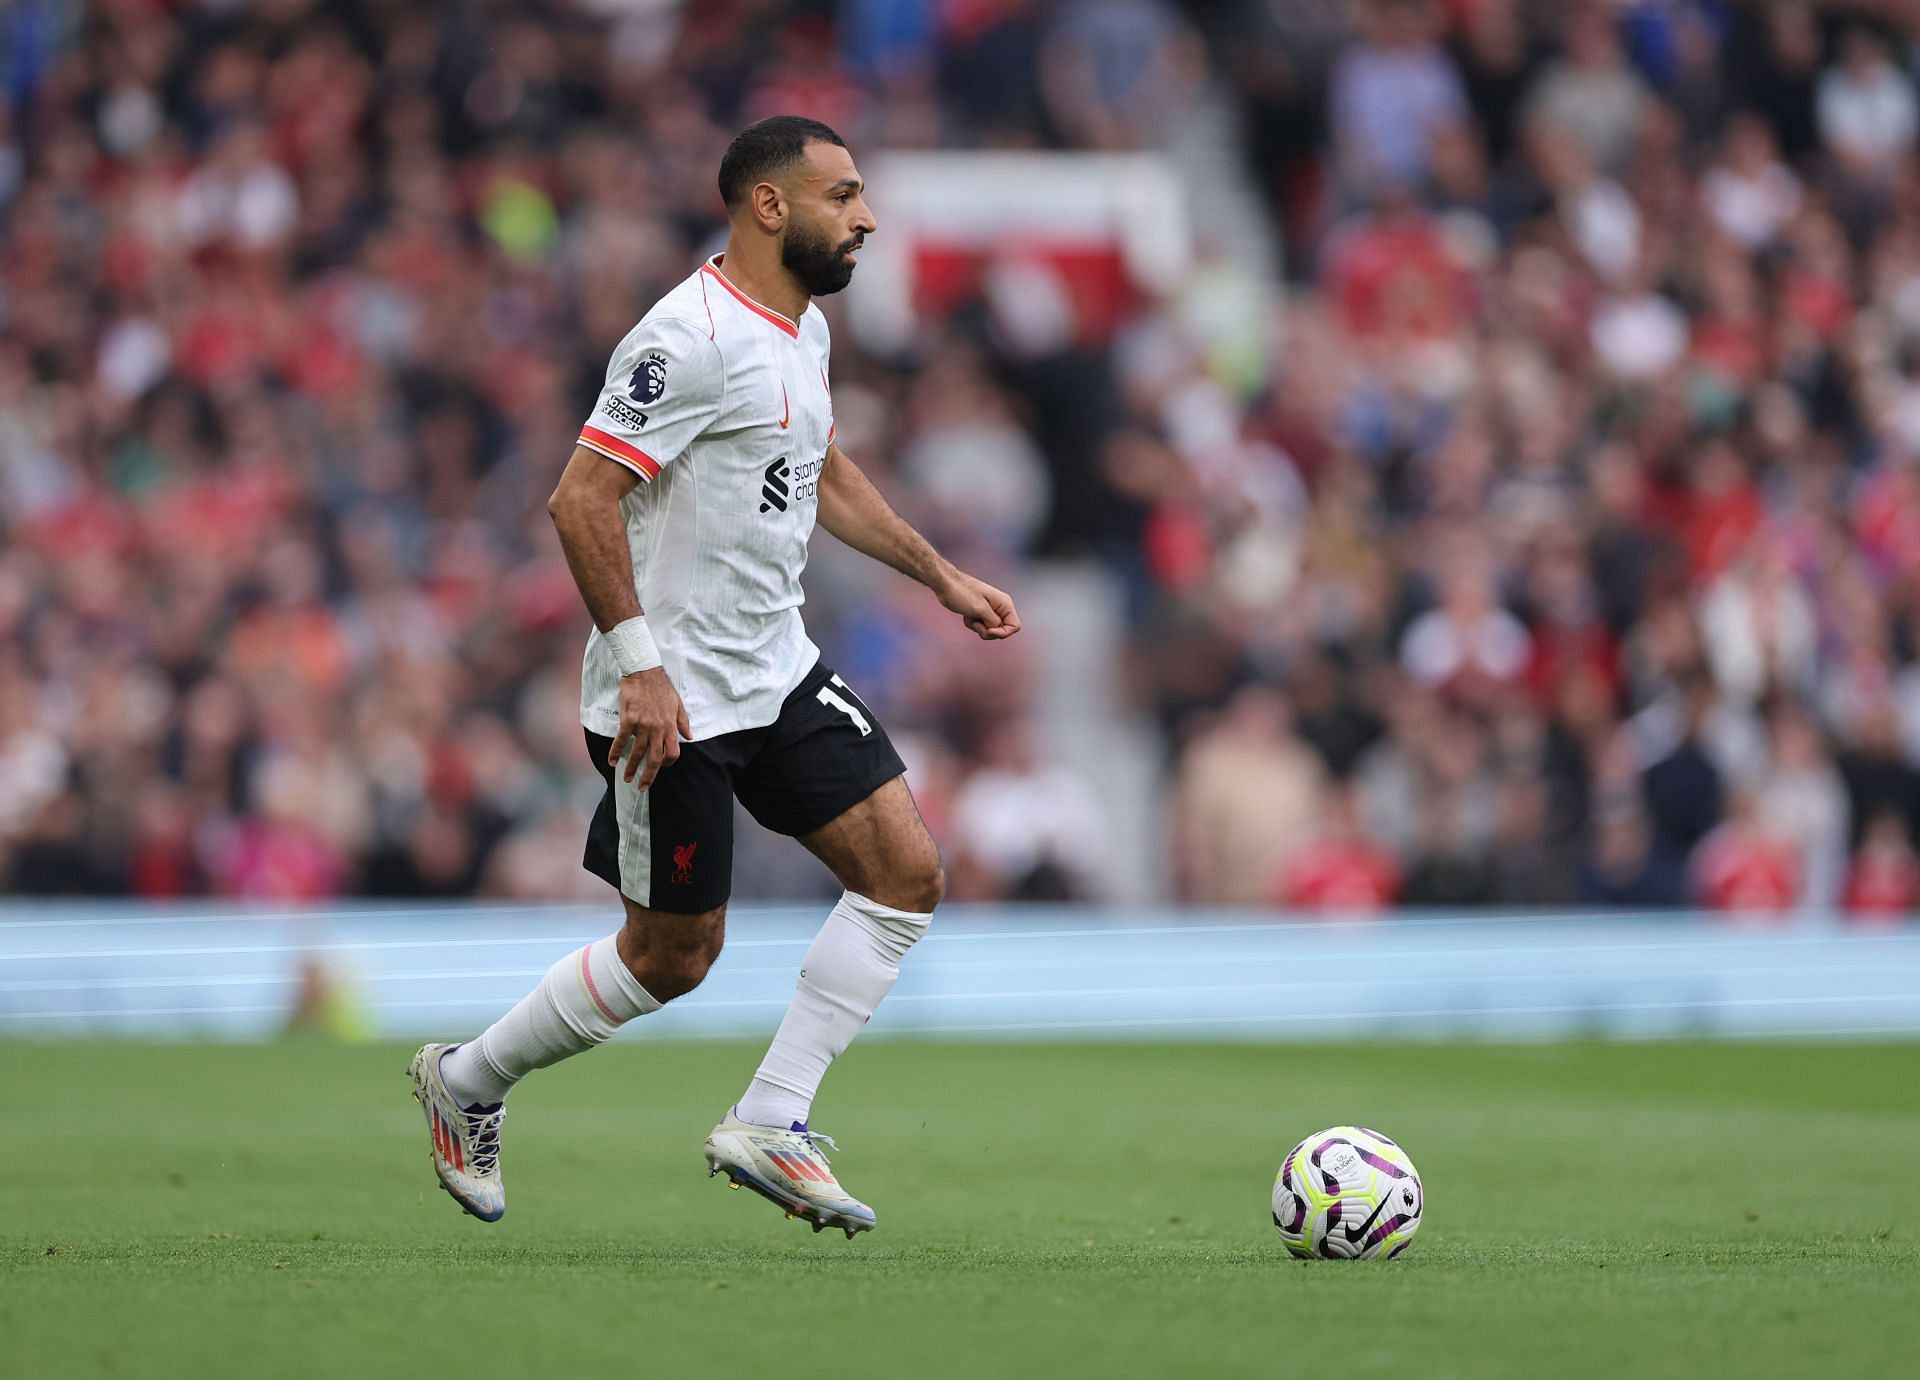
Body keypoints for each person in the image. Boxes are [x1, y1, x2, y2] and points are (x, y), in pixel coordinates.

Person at [407, 117, 1020, 1238]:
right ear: (770, 208)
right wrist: (639, 668)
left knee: (906, 874)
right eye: (844, 195)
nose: (867, 216)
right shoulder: (681, 339)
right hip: (670, 696)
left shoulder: (806, 330)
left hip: (774, 669)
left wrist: (940, 575)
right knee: (674, 955)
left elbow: (821, 468)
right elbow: (578, 499)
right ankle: (468, 1079)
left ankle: (773, 1119)